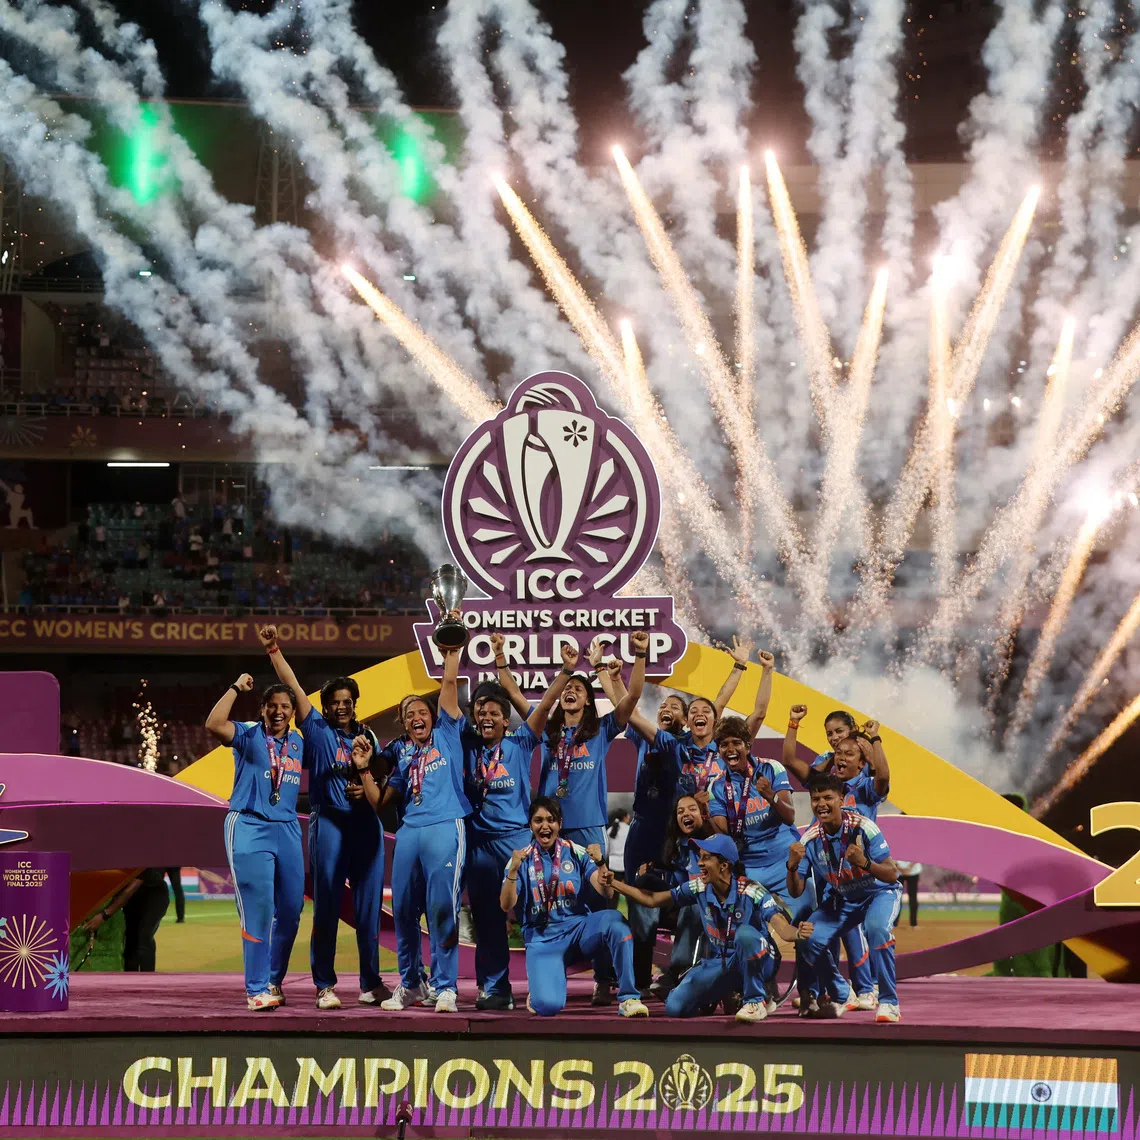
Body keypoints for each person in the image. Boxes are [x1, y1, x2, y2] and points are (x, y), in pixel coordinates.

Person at [259, 625, 389, 1011]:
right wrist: (274, 650)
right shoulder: (314, 729)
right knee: (329, 907)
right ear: (325, 705)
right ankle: (324, 986)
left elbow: (380, 780)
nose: (341, 706)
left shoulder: (369, 737)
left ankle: (370, 983)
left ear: (355, 703)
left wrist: (365, 785)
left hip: (366, 825)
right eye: (335, 701)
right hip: (329, 823)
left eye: (348, 700)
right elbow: (293, 685)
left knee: (368, 911)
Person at [462, 635, 577, 1011]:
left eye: (494, 711)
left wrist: (565, 672)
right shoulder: (465, 747)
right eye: (480, 710)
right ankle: (496, 988)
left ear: (505, 717)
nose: (486, 716)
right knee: (488, 919)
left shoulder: (520, 742)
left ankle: (545, 981)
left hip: (518, 843)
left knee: (535, 913)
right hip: (480, 844)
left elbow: (544, 706)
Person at [366, 634, 471, 1013]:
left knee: (442, 906)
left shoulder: (448, 733)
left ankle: (446, 987)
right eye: (408, 714)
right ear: (404, 725)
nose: (416, 716)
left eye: (421, 711)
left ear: (432, 716)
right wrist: (364, 768)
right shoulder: (403, 758)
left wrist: (451, 655)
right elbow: (381, 797)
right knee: (405, 909)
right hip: (409, 830)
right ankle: (411, 983)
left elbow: (447, 687)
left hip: (446, 824)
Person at [609, 833, 810, 1021]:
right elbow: (653, 899)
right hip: (720, 962)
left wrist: (798, 932)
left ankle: (755, 1000)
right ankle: (722, 993)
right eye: (700, 857)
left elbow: (782, 927)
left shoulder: (752, 890)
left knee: (745, 935)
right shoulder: (699, 887)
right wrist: (615, 884)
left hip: (761, 957)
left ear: (723, 865)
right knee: (675, 1007)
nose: (699, 863)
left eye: (706, 858)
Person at [204, 672, 305, 1011]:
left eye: (285, 707)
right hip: (249, 825)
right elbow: (214, 723)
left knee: (291, 911)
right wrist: (234, 687)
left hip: (288, 828)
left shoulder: (298, 742)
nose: (278, 712)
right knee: (258, 910)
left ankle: (273, 980)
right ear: (262, 709)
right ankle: (256, 989)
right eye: (272, 706)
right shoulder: (248, 733)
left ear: (292, 711)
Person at [500, 796, 649, 1019]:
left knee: (615, 923)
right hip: (543, 940)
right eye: (538, 820)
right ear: (530, 825)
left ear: (560, 823)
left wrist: (601, 863)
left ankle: (628, 997)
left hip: (579, 931)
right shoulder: (520, 860)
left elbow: (606, 892)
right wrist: (513, 873)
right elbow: (506, 905)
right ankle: (542, 989)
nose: (545, 826)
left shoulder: (575, 851)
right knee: (548, 1006)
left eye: (551, 820)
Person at [783, 706, 890, 1009]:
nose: (833, 739)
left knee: (852, 927)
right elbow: (792, 761)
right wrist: (794, 723)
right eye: (829, 734)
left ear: (853, 730)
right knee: (824, 926)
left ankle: (866, 989)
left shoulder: (864, 772)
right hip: (826, 860)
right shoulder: (827, 772)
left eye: (840, 732)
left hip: (857, 864)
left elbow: (883, 776)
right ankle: (824, 989)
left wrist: (872, 743)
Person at [786, 773, 903, 1024]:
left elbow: (892, 873)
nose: (821, 804)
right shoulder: (809, 838)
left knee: (877, 930)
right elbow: (795, 891)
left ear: (841, 799)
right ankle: (842, 991)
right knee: (807, 937)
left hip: (878, 893)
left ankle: (889, 1002)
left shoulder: (863, 828)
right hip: (844, 899)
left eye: (828, 797)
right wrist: (792, 867)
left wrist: (865, 862)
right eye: (815, 798)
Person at [708, 716, 799, 897]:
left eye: (736, 743)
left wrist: (771, 796)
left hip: (784, 862)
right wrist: (705, 813)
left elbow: (790, 817)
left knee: (802, 921)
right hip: (749, 868)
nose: (731, 749)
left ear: (748, 746)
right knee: (748, 925)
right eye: (724, 744)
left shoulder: (772, 768)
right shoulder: (716, 787)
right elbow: (724, 836)